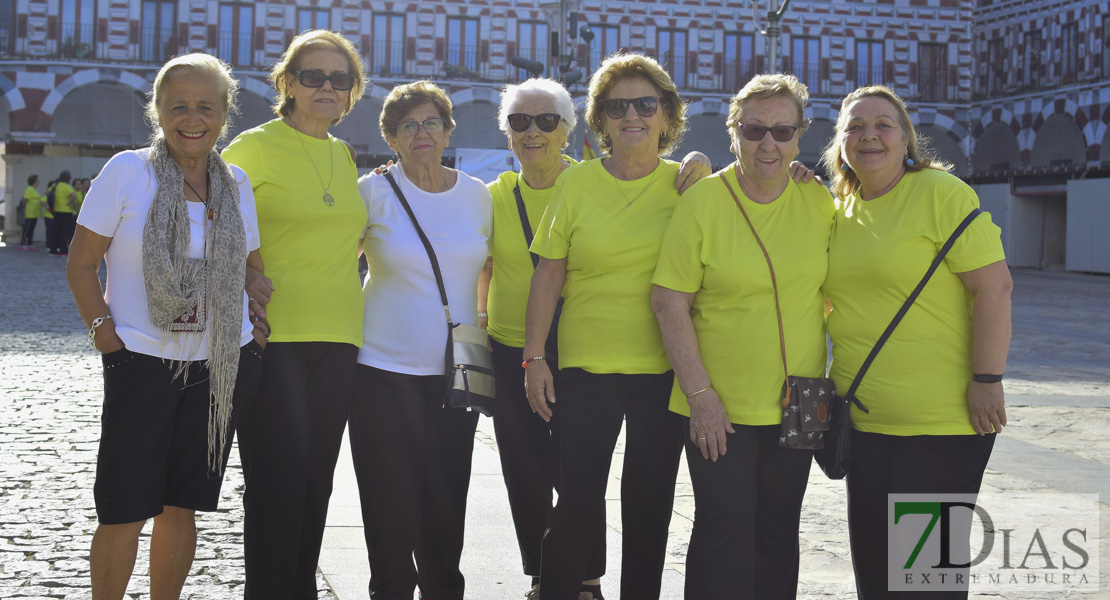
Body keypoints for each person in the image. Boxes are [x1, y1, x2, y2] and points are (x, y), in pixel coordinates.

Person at [486, 77, 711, 600]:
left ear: (666, 115)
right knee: (578, 500)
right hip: (585, 369)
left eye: (645, 104)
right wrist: (534, 357)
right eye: (617, 106)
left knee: (649, 501)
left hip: (663, 370)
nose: (631, 115)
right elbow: (549, 274)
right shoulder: (578, 183)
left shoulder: (692, 185)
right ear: (602, 121)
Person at [65, 52, 265, 600]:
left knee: (182, 505)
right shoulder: (126, 172)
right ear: (158, 110)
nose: (192, 118)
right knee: (124, 506)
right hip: (142, 361)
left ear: (225, 113)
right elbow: (81, 263)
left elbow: (252, 263)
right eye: (178, 106)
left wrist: (256, 322)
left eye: (206, 106)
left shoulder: (236, 182)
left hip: (220, 364)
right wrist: (107, 339)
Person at [819, 85, 1011, 599]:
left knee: (927, 583)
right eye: (854, 126)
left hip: (940, 427)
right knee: (876, 580)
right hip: (862, 423)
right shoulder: (837, 208)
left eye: (884, 124)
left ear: (907, 139)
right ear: (840, 145)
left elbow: (994, 286)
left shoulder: (941, 194)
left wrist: (988, 379)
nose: (869, 135)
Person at [651, 74, 833, 599]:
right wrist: (700, 397)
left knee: (780, 531)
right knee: (723, 529)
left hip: (802, 400)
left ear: (801, 136)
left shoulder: (818, 201)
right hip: (719, 406)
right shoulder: (703, 202)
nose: (768, 144)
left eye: (782, 131)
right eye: (755, 131)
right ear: (734, 133)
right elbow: (668, 303)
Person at [221, 29, 368, 599]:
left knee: (317, 478)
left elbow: (342, 238)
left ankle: (299, 586)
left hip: (341, 335)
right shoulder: (252, 148)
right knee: (277, 477)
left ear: (352, 91)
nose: (327, 87)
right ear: (287, 83)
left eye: (340, 78)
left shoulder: (344, 154)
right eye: (313, 76)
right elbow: (212, 227)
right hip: (270, 336)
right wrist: (246, 277)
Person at [349, 80, 490, 600]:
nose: (421, 133)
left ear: (448, 130)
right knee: (389, 498)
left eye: (431, 122)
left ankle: (442, 590)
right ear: (391, 138)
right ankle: (389, 589)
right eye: (407, 125)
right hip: (381, 369)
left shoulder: (478, 196)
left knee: (448, 494)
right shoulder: (372, 192)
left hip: (456, 372)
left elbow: (495, 268)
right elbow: (337, 263)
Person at [50, 169, 78, 255]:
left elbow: (47, 192)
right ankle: (63, 250)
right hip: (66, 211)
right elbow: (74, 195)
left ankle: (53, 249)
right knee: (64, 231)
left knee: (56, 231)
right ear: (68, 178)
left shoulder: (56, 185)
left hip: (57, 210)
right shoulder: (67, 187)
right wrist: (69, 203)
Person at [19, 174, 41, 250]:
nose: (39, 182)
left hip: (35, 213)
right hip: (30, 213)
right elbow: (24, 200)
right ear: (34, 181)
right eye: (37, 180)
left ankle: (29, 244)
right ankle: (22, 243)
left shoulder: (34, 189)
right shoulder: (29, 189)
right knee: (27, 229)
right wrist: (24, 209)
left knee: (31, 229)